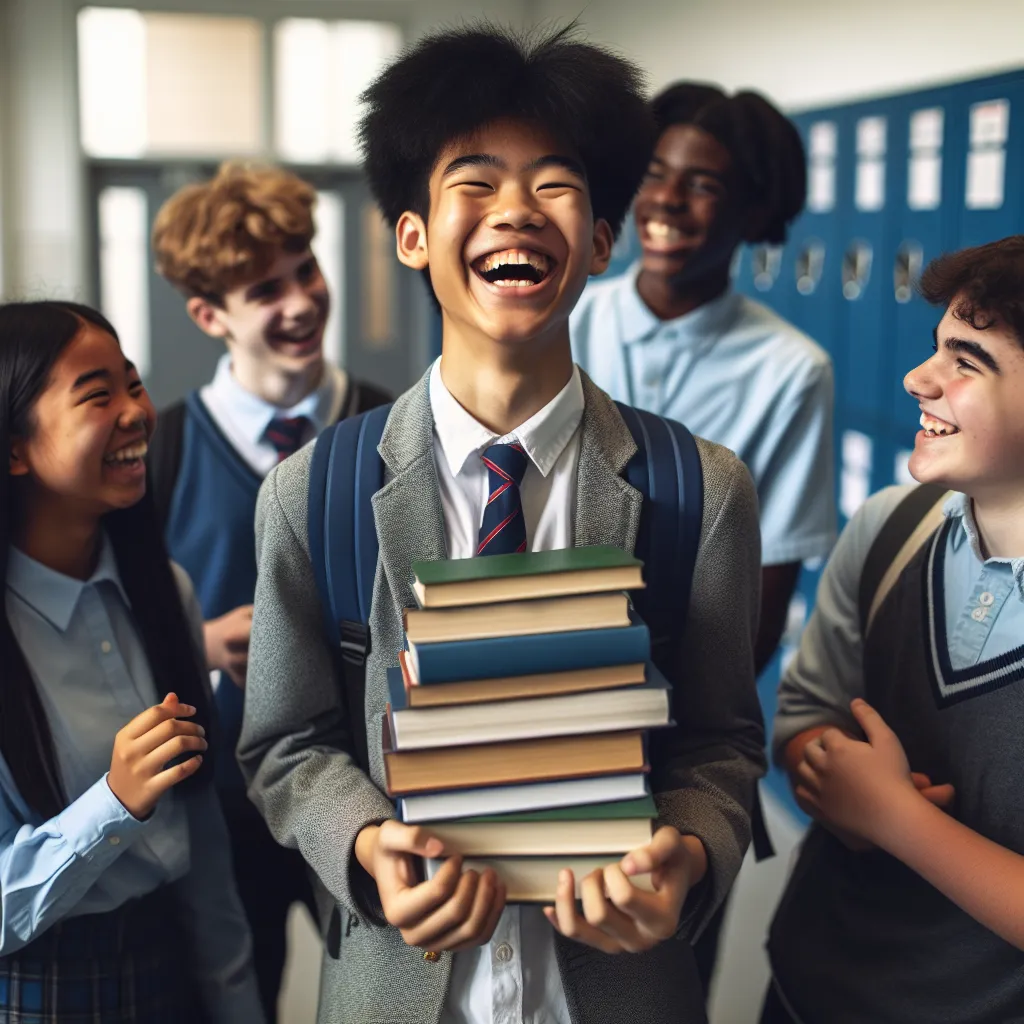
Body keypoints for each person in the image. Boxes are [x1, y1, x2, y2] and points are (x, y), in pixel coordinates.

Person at [239, 23, 766, 1024]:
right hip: (398, 988)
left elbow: (723, 742)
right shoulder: (313, 493)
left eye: (555, 184)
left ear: (603, 240)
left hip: (618, 991)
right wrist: (361, 843)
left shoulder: (700, 490)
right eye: (474, 182)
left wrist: (688, 853)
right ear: (410, 233)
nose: (515, 210)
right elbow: (284, 742)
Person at [148, 161, 391, 1019]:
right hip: (221, 809)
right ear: (211, 316)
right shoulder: (161, 456)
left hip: (369, 794)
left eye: (306, 271)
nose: (299, 304)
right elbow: (121, 636)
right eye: (265, 291)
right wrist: (202, 642)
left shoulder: (392, 429)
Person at [764, 236, 1024, 1023]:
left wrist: (896, 820)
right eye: (935, 347)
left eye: (966, 361)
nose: (919, 378)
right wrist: (831, 773)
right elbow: (805, 712)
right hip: (808, 988)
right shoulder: (889, 526)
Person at [0, 301, 263, 1022]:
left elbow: (202, 843)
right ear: (14, 448)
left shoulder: (162, 590)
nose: (136, 413)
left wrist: (238, 1003)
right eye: (96, 394)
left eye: (134, 384)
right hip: (34, 991)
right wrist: (110, 806)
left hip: (165, 970)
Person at [572, 83, 835, 676]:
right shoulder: (565, 320)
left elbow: (769, 578)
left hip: (691, 679)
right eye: (655, 174)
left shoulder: (790, 369)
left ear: (755, 210)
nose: (666, 200)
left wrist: (703, 728)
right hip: (545, 649)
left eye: (703, 185)